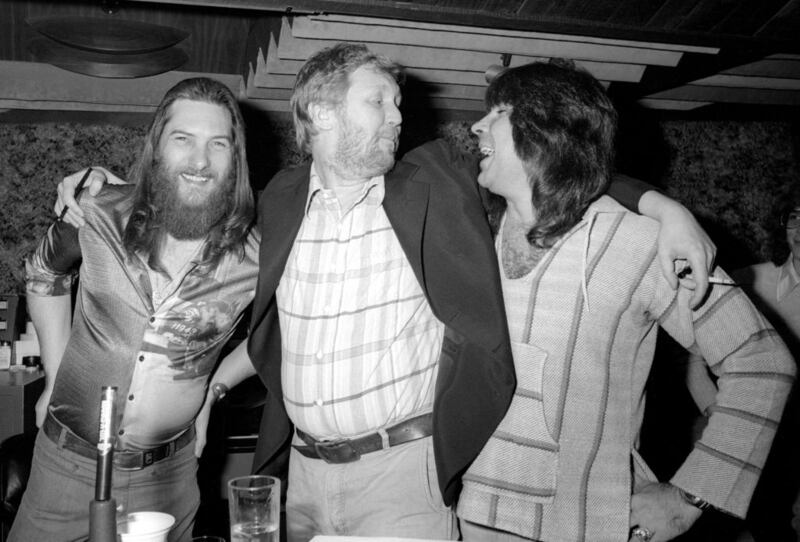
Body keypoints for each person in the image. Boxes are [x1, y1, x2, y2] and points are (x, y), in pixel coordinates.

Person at [56, 43, 717, 541]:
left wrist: (661, 205)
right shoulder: (277, 202)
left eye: (398, 103)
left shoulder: (434, 176)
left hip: (403, 475)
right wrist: (100, 189)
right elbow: (193, 204)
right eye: (379, 101)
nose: (399, 116)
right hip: (302, 477)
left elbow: (552, 162)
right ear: (320, 112)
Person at [453, 59, 796, 542]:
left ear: (548, 130)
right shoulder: (473, 230)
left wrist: (690, 496)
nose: (477, 125)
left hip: (582, 523)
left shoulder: (644, 243)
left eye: (499, 112)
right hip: (470, 516)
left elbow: (761, 362)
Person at [9, 77, 261, 542]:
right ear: (157, 146)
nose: (200, 160)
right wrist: (55, 373)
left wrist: (215, 389)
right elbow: (44, 272)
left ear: (236, 159)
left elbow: (280, 334)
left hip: (168, 479)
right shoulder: (97, 209)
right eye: (183, 139)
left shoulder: (256, 256)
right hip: (64, 467)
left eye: (218, 143)